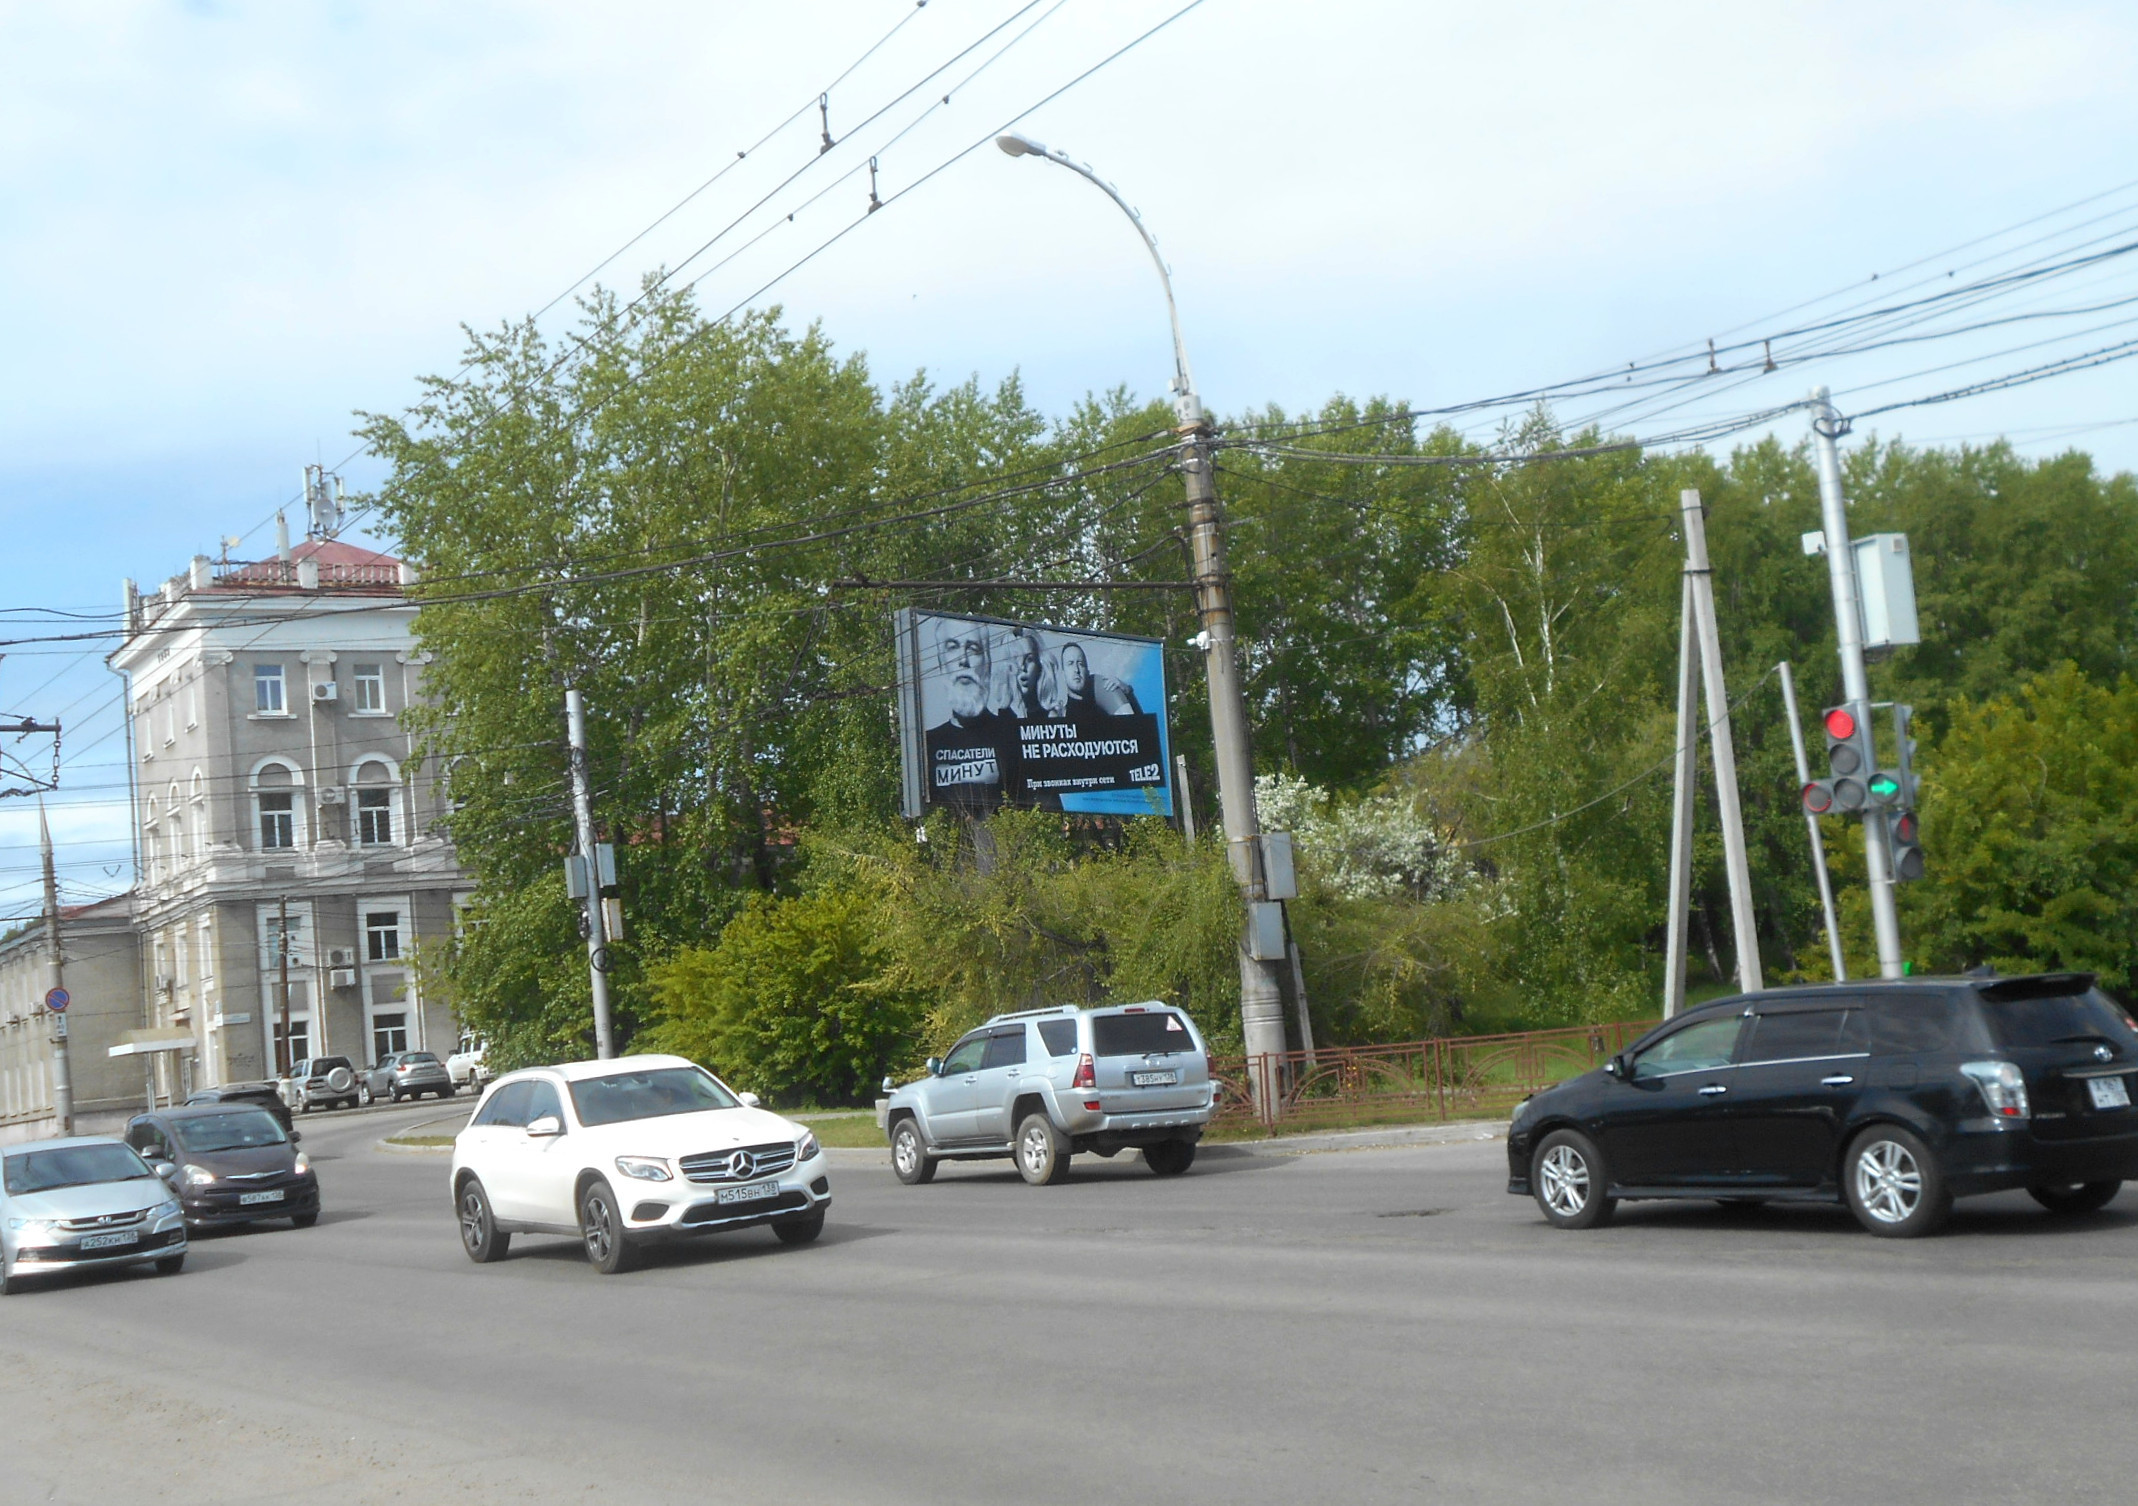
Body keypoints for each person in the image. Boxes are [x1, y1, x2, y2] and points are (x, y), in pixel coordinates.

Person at [922, 618, 1009, 803]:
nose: (963, 660)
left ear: (988, 663)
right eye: (952, 647)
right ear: (940, 662)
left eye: (973, 649)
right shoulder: (924, 746)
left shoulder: (1014, 739)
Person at [1060, 640, 1142, 716]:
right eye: (1070, 663)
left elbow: (1142, 728)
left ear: (1087, 671)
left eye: (1081, 664)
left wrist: (1127, 693)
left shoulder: (1102, 706)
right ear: (1063, 672)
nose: (1076, 670)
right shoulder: (1061, 715)